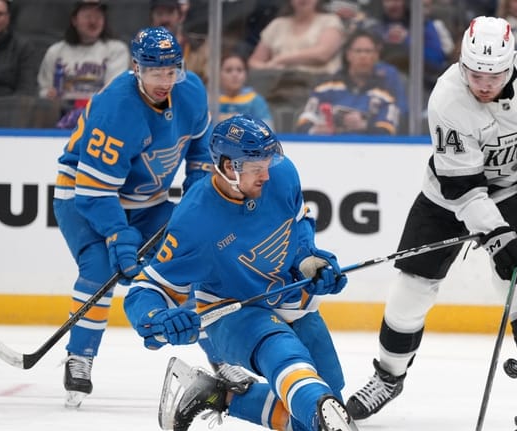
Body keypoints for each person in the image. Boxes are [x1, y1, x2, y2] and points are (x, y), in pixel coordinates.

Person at [346, 16, 517, 431]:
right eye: (475, 74)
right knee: (412, 286)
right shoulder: (447, 101)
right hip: (447, 195)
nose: (484, 84)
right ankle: (388, 377)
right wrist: (498, 236)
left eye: (493, 75)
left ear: (511, 65)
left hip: (512, 189)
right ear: (461, 65)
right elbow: (466, 189)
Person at [122, 114, 357, 431]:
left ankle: (216, 396)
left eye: (268, 162)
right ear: (229, 167)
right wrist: (158, 318)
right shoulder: (195, 220)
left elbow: (298, 224)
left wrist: (309, 260)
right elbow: (145, 290)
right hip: (233, 310)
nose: (267, 175)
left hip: (288, 298)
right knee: (292, 367)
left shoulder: (282, 174)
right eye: (256, 167)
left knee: (326, 404)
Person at [52, 26, 213, 409]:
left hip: (149, 200)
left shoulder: (190, 92)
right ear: (136, 68)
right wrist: (117, 235)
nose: (165, 80)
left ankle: (221, 359)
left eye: (171, 70)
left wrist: (197, 192)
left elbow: (201, 150)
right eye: (155, 72)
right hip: (82, 196)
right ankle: (80, 357)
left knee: (190, 264)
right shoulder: (116, 108)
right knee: (98, 270)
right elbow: (94, 191)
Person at [37, 0, 130, 129]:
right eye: (87, 17)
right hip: (60, 117)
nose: (93, 22)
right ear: (74, 20)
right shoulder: (56, 51)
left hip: (100, 118)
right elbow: (43, 90)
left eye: (98, 17)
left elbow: (112, 92)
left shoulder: (116, 50)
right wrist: (48, 94)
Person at [295, 29, 402, 135]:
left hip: (367, 150)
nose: (363, 56)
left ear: (376, 56)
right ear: (348, 54)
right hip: (328, 149)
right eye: (358, 51)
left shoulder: (386, 94)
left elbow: (388, 131)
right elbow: (302, 124)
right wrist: (316, 130)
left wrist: (364, 126)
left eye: (368, 51)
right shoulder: (325, 88)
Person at [248, 0, 345, 75]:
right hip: (279, 85)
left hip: (318, 85)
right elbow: (254, 61)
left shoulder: (330, 21)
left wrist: (282, 59)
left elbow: (323, 54)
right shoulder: (277, 24)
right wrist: (266, 68)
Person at [217, 51, 275, 129]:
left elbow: (268, 129)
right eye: (228, 70)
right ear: (218, 74)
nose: (235, 75)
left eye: (239, 70)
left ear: (246, 74)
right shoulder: (210, 99)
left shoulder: (255, 100)